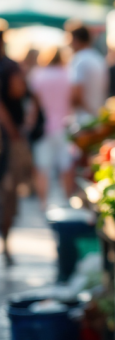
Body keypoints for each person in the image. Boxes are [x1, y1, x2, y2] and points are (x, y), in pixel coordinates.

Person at [0, 20, 31, 265]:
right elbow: (18, 92)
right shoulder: (9, 66)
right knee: (8, 193)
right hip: (6, 140)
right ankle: (6, 244)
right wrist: (13, 130)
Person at [28, 47, 74, 209]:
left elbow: (34, 105)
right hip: (64, 125)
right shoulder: (67, 74)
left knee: (42, 167)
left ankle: (43, 203)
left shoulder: (38, 75)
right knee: (66, 165)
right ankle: (67, 199)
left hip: (44, 127)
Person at [66, 22, 108, 125]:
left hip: (83, 120)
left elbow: (76, 94)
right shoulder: (98, 58)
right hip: (96, 116)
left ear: (75, 40)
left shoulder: (78, 60)